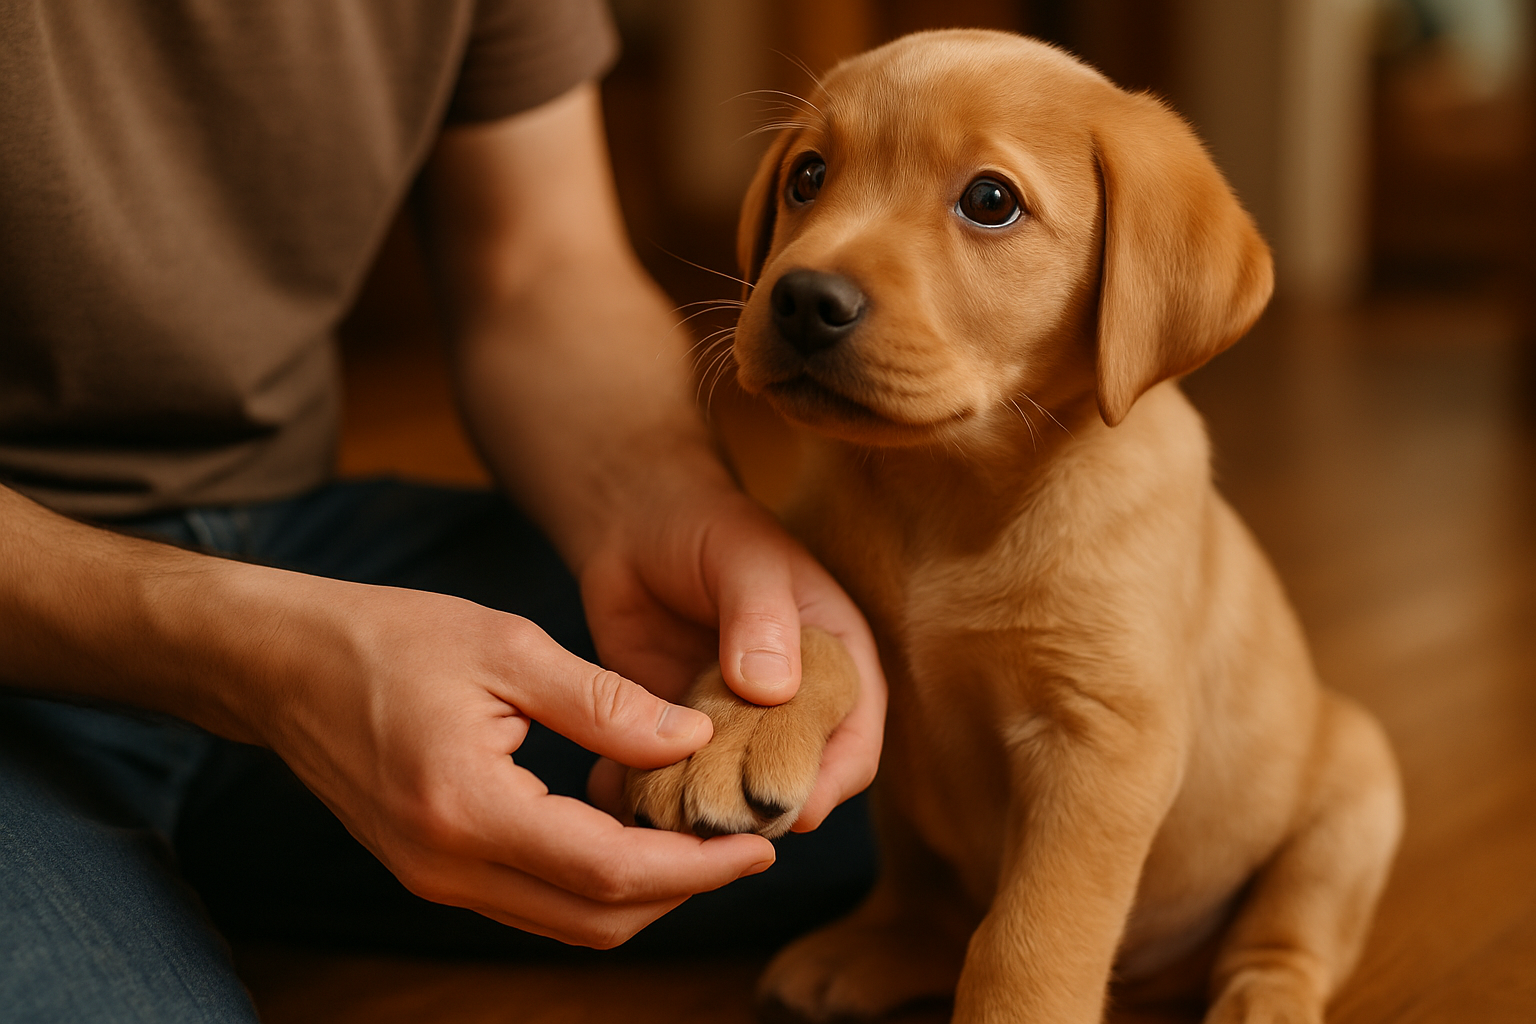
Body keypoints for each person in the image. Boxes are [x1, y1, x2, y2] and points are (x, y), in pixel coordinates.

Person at [0, 2, 886, 1020]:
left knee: (915, 786)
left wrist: (664, 499)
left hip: (283, 535)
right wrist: (253, 659)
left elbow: (536, 263)